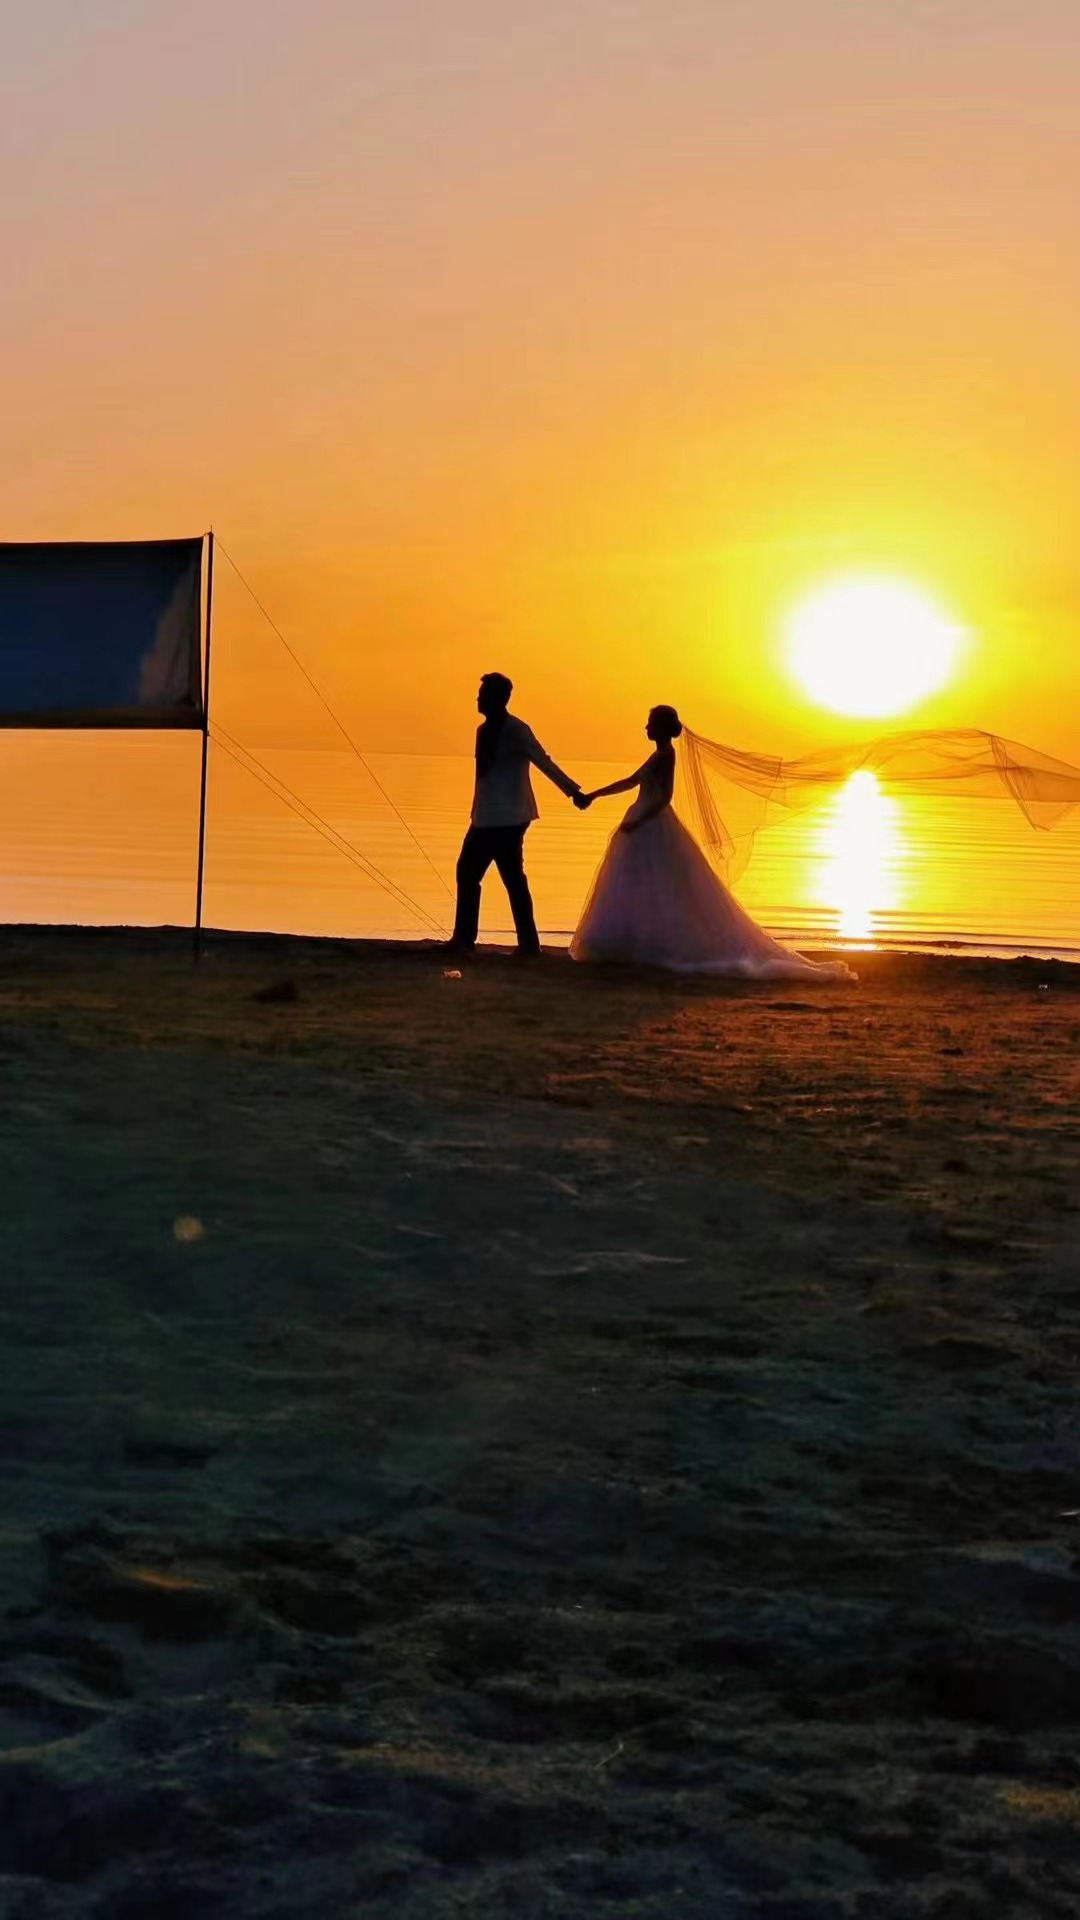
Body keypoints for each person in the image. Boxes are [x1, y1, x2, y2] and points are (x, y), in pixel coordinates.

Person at [570, 705, 854, 980]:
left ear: (660, 728)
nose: (646, 727)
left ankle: (648, 942)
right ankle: (633, 939)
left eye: (650, 723)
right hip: (643, 820)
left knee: (660, 886)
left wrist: (639, 821)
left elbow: (665, 797)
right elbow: (630, 782)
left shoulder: (666, 755)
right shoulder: (657, 755)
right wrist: (594, 795)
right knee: (642, 884)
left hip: (651, 822)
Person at [447, 672, 581, 957]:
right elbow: (482, 778)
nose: (478, 698)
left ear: (498, 699)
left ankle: (526, 945)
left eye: (483, 694)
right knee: (468, 873)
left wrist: (572, 791)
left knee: (511, 878)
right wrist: (475, 812)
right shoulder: (482, 731)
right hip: (485, 817)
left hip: (510, 818)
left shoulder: (517, 730)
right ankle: (465, 939)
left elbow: (543, 761)